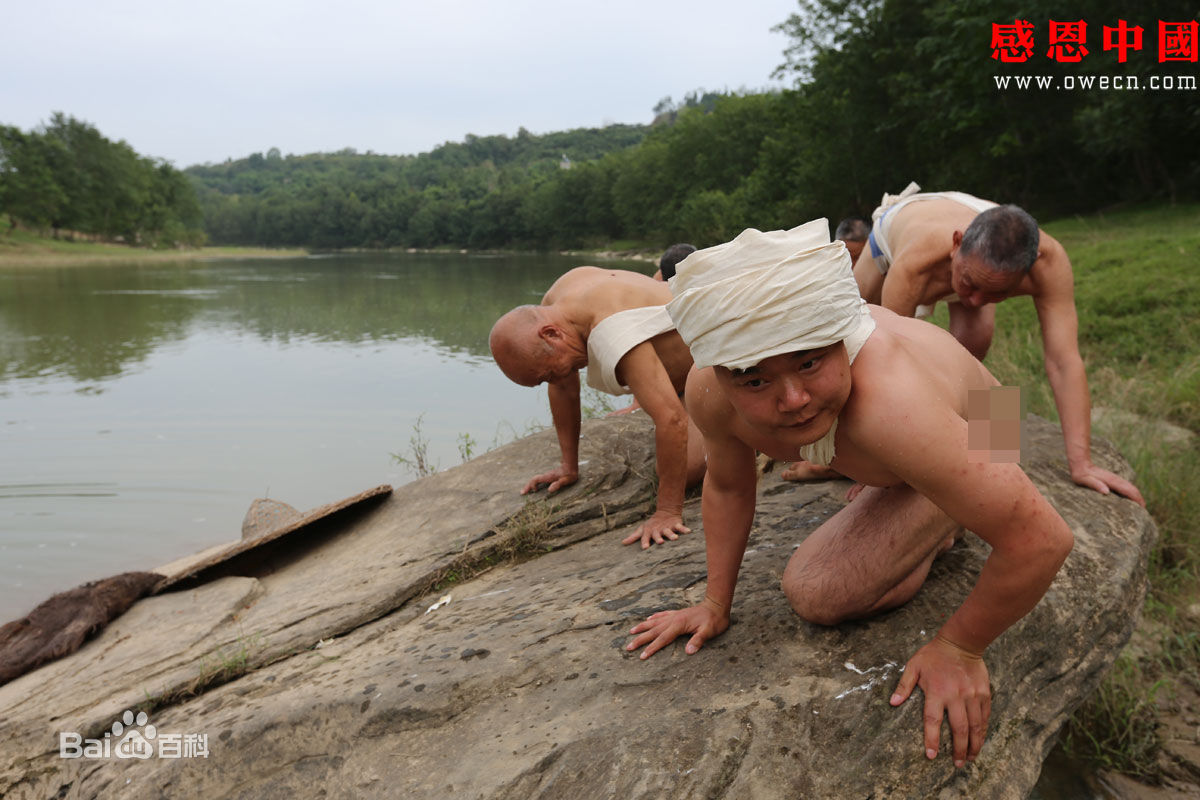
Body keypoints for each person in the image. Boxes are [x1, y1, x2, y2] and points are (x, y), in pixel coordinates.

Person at [627, 221, 1077, 768]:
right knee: (844, 456)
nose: (791, 398)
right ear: (718, 374)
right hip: (924, 428)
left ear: (839, 337)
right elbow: (727, 482)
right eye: (754, 381)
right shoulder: (708, 389)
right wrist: (714, 604)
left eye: (810, 361)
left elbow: (1042, 539)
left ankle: (941, 507)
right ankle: (922, 503)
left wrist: (960, 648)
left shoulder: (892, 407)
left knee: (817, 591)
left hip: (992, 421)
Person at [853, 182, 1144, 505]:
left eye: (997, 294)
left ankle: (975, 444)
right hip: (897, 227)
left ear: (1027, 268)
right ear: (956, 245)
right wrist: (881, 472)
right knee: (854, 338)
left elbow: (1064, 362)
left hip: (973, 221)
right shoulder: (916, 265)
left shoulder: (1050, 262)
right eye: (968, 284)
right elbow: (891, 368)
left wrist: (1082, 463)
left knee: (976, 342)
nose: (976, 301)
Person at [490, 267, 706, 549]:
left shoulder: (611, 328)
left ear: (551, 335)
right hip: (673, 377)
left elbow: (671, 421)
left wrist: (667, 512)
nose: (553, 381)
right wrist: (569, 466)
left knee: (686, 471)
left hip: (713, 364)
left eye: (548, 375)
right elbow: (564, 385)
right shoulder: (556, 301)